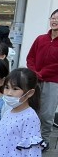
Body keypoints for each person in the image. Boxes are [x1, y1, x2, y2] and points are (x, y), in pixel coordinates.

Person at [26, 8, 58, 144]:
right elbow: (30, 57)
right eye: (53, 18)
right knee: (32, 110)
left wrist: (41, 73)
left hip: (53, 82)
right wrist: (34, 72)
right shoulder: (40, 39)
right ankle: (29, 138)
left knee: (47, 114)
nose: (54, 21)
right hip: (35, 80)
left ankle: (44, 140)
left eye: (57, 19)